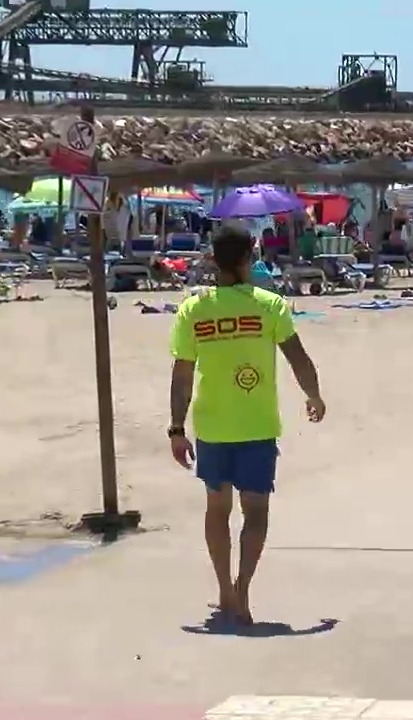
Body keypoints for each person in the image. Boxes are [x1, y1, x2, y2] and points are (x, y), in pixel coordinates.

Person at [167, 222, 325, 625]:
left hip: (213, 427)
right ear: (247, 259)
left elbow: (182, 374)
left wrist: (176, 428)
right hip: (257, 426)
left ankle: (223, 591)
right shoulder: (269, 305)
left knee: (216, 509)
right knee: (255, 513)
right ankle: (242, 590)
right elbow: (298, 358)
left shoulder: (194, 310)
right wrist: (313, 395)